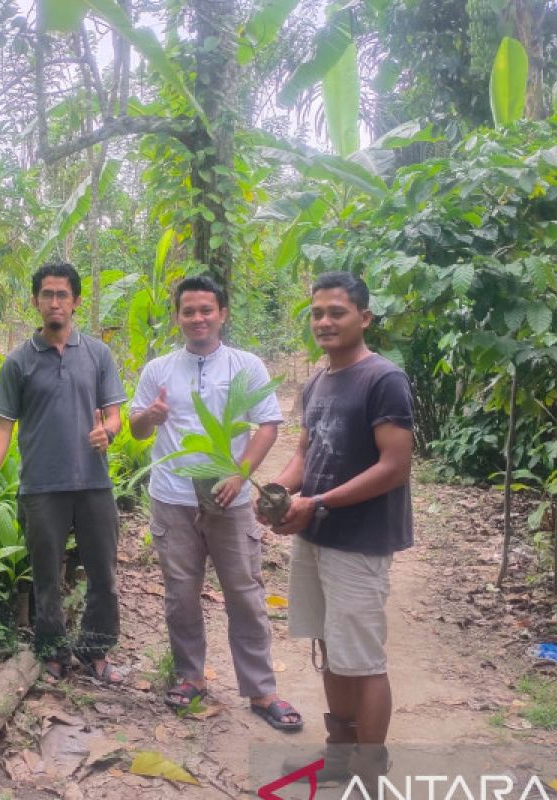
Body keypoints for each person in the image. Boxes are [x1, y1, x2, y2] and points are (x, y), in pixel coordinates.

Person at [258, 271, 414, 789]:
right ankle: (339, 755)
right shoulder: (317, 381)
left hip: (360, 541)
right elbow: (306, 453)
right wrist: (275, 495)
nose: (324, 322)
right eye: (317, 313)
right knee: (329, 647)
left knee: (363, 659)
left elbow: (395, 465)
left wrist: (317, 502)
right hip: (316, 537)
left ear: (364, 318)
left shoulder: (383, 379)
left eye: (337, 312)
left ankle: (371, 771)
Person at [129, 275, 302, 731]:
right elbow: (137, 430)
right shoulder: (158, 369)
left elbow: (267, 424)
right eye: (189, 311)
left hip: (231, 498)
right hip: (172, 498)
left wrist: (240, 472)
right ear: (178, 318)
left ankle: (262, 690)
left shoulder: (246, 366)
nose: (198, 318)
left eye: (207, 309)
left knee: (244, 593)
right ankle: (191, 678)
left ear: (222, 314)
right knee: (180, 595)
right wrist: (150, 416)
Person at [0, 262, 126, 683]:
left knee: (104, 572)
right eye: (47, 294)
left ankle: (96, 650)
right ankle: (51, 650)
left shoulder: (98, 354)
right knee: (46, 575)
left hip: (94, 483)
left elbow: (115, 414)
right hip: (41, 486)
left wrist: (108, 432)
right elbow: (2, 428)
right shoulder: (19, 362)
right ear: (35, 301)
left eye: (63, 295)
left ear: (76, 302)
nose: (55, 302)